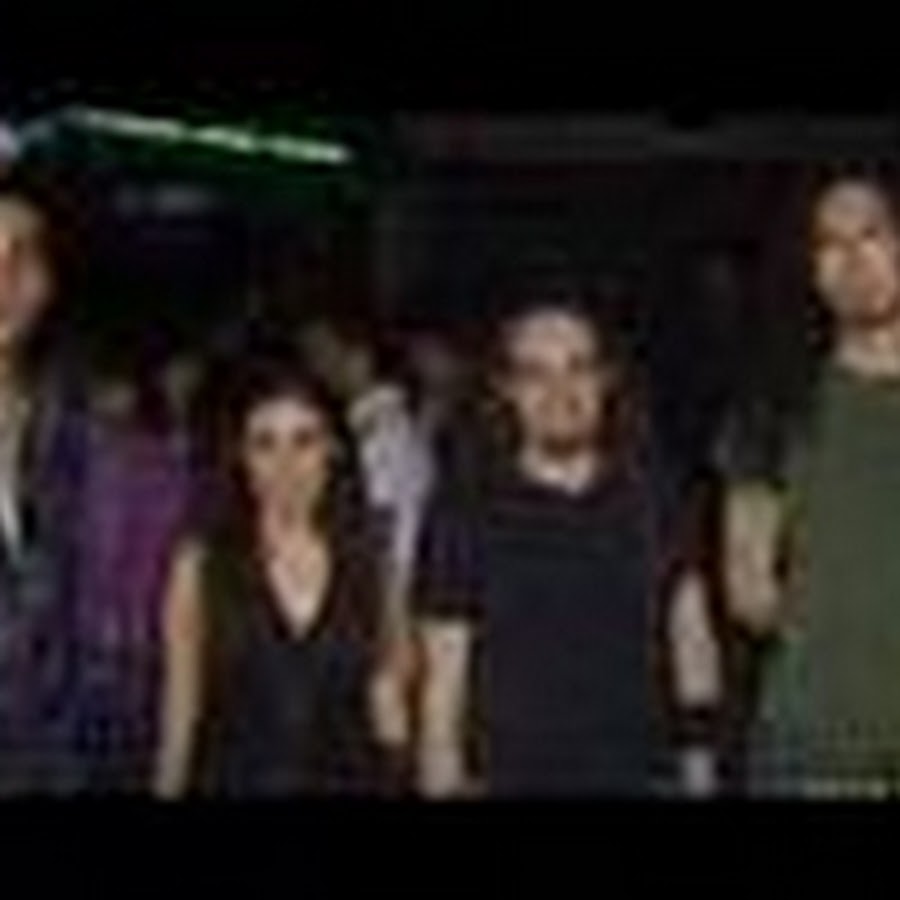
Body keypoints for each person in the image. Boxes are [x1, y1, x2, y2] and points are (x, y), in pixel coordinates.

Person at [413, 280, 720, 798]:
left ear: (607, 379)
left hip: (642, 774)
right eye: (536, 373)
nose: (561, 391)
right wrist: (441, 778)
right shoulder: (462, 511)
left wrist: (700, 763)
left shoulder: (654, 495)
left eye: (578, 367)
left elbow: (691, 636)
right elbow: (442, 686)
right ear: (506, 388)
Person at [724, 171, 900, 797]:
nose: (853, 260)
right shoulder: (776, 405)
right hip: (816, 748)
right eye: (829, 243)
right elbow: (748, 590)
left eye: (871, 234)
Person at [153, 350, 389, 797]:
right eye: (265, 443)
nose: (286, 467)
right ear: (240, 455)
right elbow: (179, 713)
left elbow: (387, 710)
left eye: (305, 441)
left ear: (334, 449)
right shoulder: (200, 565)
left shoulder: (370, 559)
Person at [299, 316, 434, 755]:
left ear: (359, 358)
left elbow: (382, 536)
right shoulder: (388, 425)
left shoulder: (382, 433)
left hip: (390, 612)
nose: (317, 365)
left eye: (324, 352)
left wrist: (387, 644)